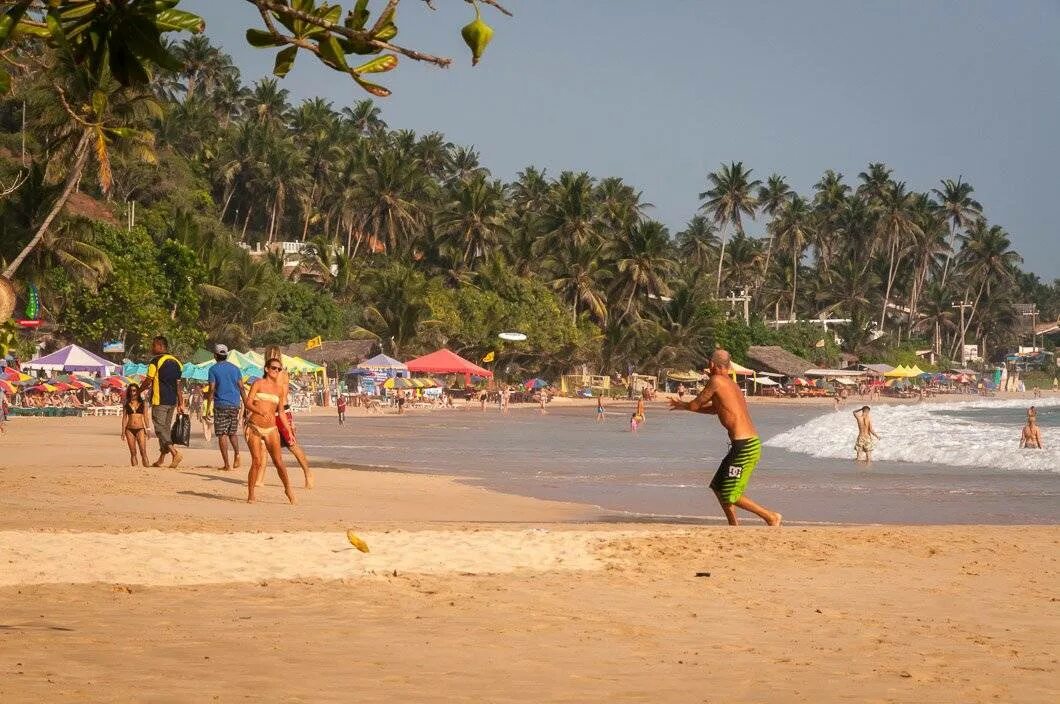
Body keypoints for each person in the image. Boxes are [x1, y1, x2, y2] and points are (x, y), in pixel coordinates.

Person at [669, 348, 781, 526]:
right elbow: (716, 409)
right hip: (745, 443)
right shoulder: (731, 384)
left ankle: (770, 517)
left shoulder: (716, 380)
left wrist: (683, 405)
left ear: (712, 364)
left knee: (731, 494)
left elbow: (696, 404)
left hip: (745, 446)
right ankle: (733, 525)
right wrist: (686, 406)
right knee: (718, 485)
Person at [243, 358, 296, 504]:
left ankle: (288, 489)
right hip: (254, 426)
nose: (277, 371)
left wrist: (289, 430)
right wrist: (259, 411)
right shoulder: (258, 383)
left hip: (271, 428)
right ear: (266, 369)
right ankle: (251, 494)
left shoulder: (279, 390)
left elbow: (281, 412)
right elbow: (248, 402)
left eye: (279, 369)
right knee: (257, 461)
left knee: (278, 461)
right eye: (274, 368)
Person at [263, 345, 313, 489]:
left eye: (276, 354)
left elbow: (276, 393)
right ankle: (260, 478)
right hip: (269, 411)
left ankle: (307, 473)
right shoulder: (266, 373)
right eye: (271, 354)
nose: (273, 356)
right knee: (264, 446)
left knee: (292, 445)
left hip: (282, 411)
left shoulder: (281, 373)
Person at [141, 335, 184, 468]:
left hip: (160, 400)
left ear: (160, 346)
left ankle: (174, 452)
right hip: (172, 401)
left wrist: (138, 390)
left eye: (153, 345)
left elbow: (148, 380)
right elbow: (178, 385)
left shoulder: (156, 361)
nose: (152, 348)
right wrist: (181, 402)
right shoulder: (177, 362)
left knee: (160, 429)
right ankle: (161, 459)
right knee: (165, 430)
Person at [206, 344, 243, 472]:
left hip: (221, 405)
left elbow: (211, 388)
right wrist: (246, 405)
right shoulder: (235, 369)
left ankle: (227, 464)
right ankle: (237, 453)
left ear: (215, 355)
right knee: (232, 432)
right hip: (235, 405)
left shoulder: (213, 369)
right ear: (226, 355)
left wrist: (208, 407)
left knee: (222, 434)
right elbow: (241, 387)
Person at [120, 383, 151, 466]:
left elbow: (146, 417)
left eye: (134, 390)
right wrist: (123, 432)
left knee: (143, 451)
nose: (132, 392)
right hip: (129, 429)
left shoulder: (143, 403)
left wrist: (148, 429)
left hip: (140, 428)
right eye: (130, 391)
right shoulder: (126, 404)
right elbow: (124, 418)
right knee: (133, 452)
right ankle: (135, 472)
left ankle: (147, 469)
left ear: (137, 391)